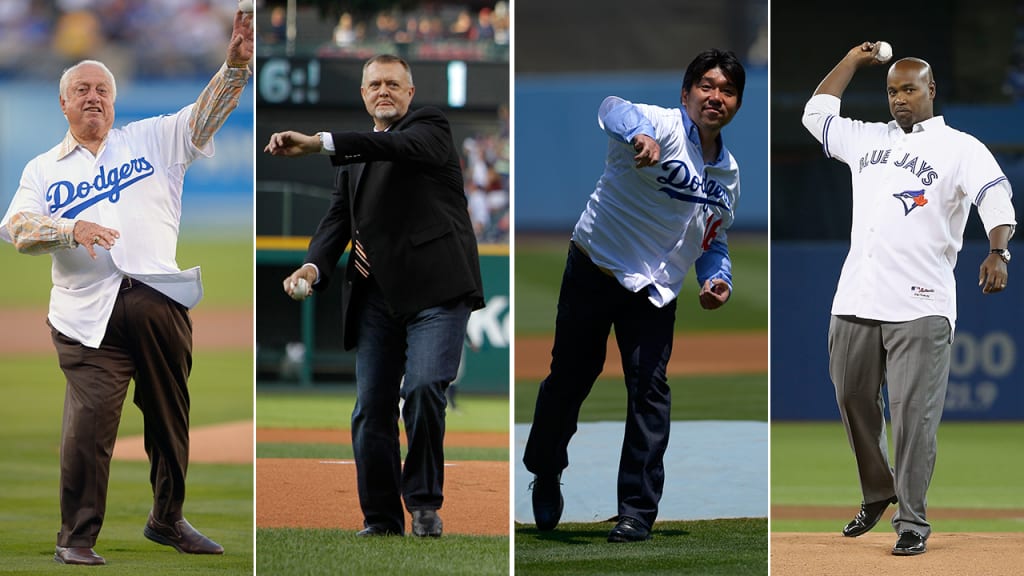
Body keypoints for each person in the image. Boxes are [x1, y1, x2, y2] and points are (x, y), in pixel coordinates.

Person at [0, 11, 253, 566]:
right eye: (81, 89)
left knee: (170, 420)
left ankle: (167, 519)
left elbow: (204, 119)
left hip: (158, 300)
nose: (93, 96)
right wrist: (71, 227)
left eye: (102, 90)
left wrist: (234, 68)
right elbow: (16, 229)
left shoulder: (151, 138)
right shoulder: (42, 171)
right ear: (62, 104)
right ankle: (77, 537)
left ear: (114, 102)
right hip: (84, 317)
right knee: (88, 431)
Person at [802, 42, 1016, 556]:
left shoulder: (960, 147)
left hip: (921, 303)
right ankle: (879, 490)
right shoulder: (866, 138)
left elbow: (995, 196)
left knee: (913, 416)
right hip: (856, 295)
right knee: (852, 397)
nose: (899, 98)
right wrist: (853, 61)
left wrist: (998, 251)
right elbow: (816, 112)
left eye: (909, 88)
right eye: (892, 90)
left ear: (931, 89)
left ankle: (912, 520)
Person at [523, 48, 745, 543]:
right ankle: (546, 468)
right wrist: (637, 135)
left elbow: (714, 236)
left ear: (737, 104)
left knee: (650, 391)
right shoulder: (659, 124)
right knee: (570, 378)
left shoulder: (728, 173)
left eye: (728, 90)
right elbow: (610, 108)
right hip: (597, 263)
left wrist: (717, 278)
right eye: (706, 86)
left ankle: (637, 512)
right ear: (686, 94)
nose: (716, 96)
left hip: (655, 290)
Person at [264, 54, 485, 538]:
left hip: (435, 291)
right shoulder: (355, 159)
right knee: (370, 410)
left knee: (425, 389)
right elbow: (338, 220)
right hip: (375, 297)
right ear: (363, 94)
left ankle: (424, 505)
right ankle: (381, 519)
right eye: (374, 84)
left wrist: (319, 143)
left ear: (409, 93)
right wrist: (313, 264)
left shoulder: (430, 127)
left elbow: (397, 149)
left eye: (392, 83)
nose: (383, 91)